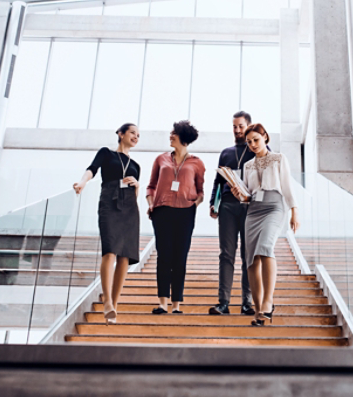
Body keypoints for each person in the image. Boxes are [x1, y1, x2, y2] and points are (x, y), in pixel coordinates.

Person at [230, 123, 299, 326]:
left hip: (274, 207)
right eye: (249, 141)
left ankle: (268, 302)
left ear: (265, 137)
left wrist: (295, 211)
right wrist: (239, 196)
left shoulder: (278, 158)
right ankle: (259, 310)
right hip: (253, 210)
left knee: (265, 248)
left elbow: (286, 185)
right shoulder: (248, 165)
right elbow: (248, 194)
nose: (252, 144)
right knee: (251, 259)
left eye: (256, 140)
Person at [73, 123, 141, 324]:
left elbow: (135, 194)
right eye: (132, 133)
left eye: (138, 135)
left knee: (125, 257)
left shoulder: (136, 165)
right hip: (109, 201)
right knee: (110, 251)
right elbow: (91, 170)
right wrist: (82, 183)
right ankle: (107, 302)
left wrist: (137, 185)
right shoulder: (106, 153)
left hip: (129, 207)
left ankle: (115, 305)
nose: (136, 136)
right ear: (120, 134)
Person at [146, 120, 205, 314]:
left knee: (180, 257)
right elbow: (151, 186)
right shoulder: (161, 159)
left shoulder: (196, 163)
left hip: (185, 213)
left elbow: (201, 191)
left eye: (174, 133)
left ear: (184, 138)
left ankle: (177, 304)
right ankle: (163, 302)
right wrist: (151, 204)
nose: (170, 136)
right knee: (164, 256)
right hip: (162, 212)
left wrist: (193, 204)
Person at [208, 111, 257, 315]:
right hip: (227, 206)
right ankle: (223, 303)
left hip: (249, 206)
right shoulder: (226, 153)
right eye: (234, 126)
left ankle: (247, 302)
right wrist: (214, 203)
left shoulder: (257, 149)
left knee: (248, 256)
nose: (237, 130)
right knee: (226, 254)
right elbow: (218, 181)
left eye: (241, 126)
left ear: (249, 126)